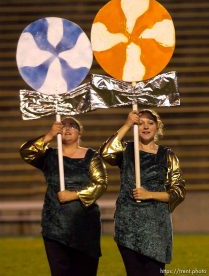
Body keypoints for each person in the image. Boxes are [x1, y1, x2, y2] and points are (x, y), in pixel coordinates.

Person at [100, 109, 186, 276]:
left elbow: (179, 190)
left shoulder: (167, 155)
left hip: (156, 225)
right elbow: (105, 153)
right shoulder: (125, 150)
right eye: (140, 123)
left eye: (150, 123)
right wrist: (126, 124)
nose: (145, 127)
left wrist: (150, 194)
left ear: (157, 127)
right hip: (128, 222)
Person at [20, 117, 108, 276]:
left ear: (79, 132)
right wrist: (49, 135)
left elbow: (101, 184)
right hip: (55, 225)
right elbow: (26, 152)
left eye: (72, 125)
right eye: (63, 125)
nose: (67, 128)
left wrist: (74, 195)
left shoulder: (91, 156)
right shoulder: (49, 156)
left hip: (84, 224)